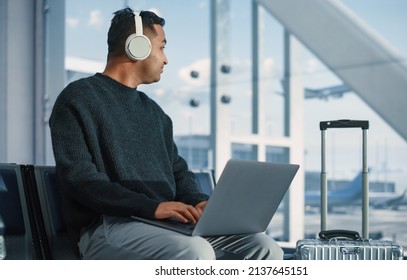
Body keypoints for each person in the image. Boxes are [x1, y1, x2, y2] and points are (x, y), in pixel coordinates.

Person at [49, 7, 283, 260]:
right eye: (161, 47)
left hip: (165, 225)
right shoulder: (78, 98)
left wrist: (199, 203)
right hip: (108, 226)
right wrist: (152, 207)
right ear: (136, 47)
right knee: (195, 252)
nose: (166, 59)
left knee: (263, 246)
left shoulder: (155, 113)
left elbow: (179, 173)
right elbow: (80, 179)